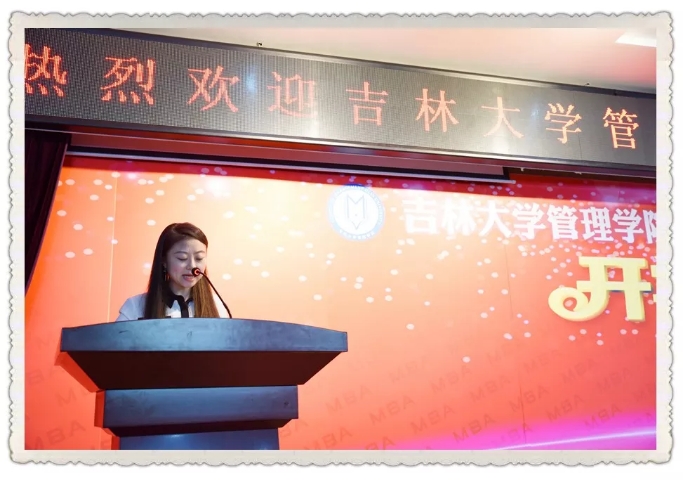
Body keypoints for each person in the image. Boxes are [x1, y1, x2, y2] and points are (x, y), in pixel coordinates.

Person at [115, 222, 230, 321]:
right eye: (182, 258)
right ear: (164, 261)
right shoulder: (135, 307)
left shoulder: (217, 305)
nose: (192, 266)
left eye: (199, 258)